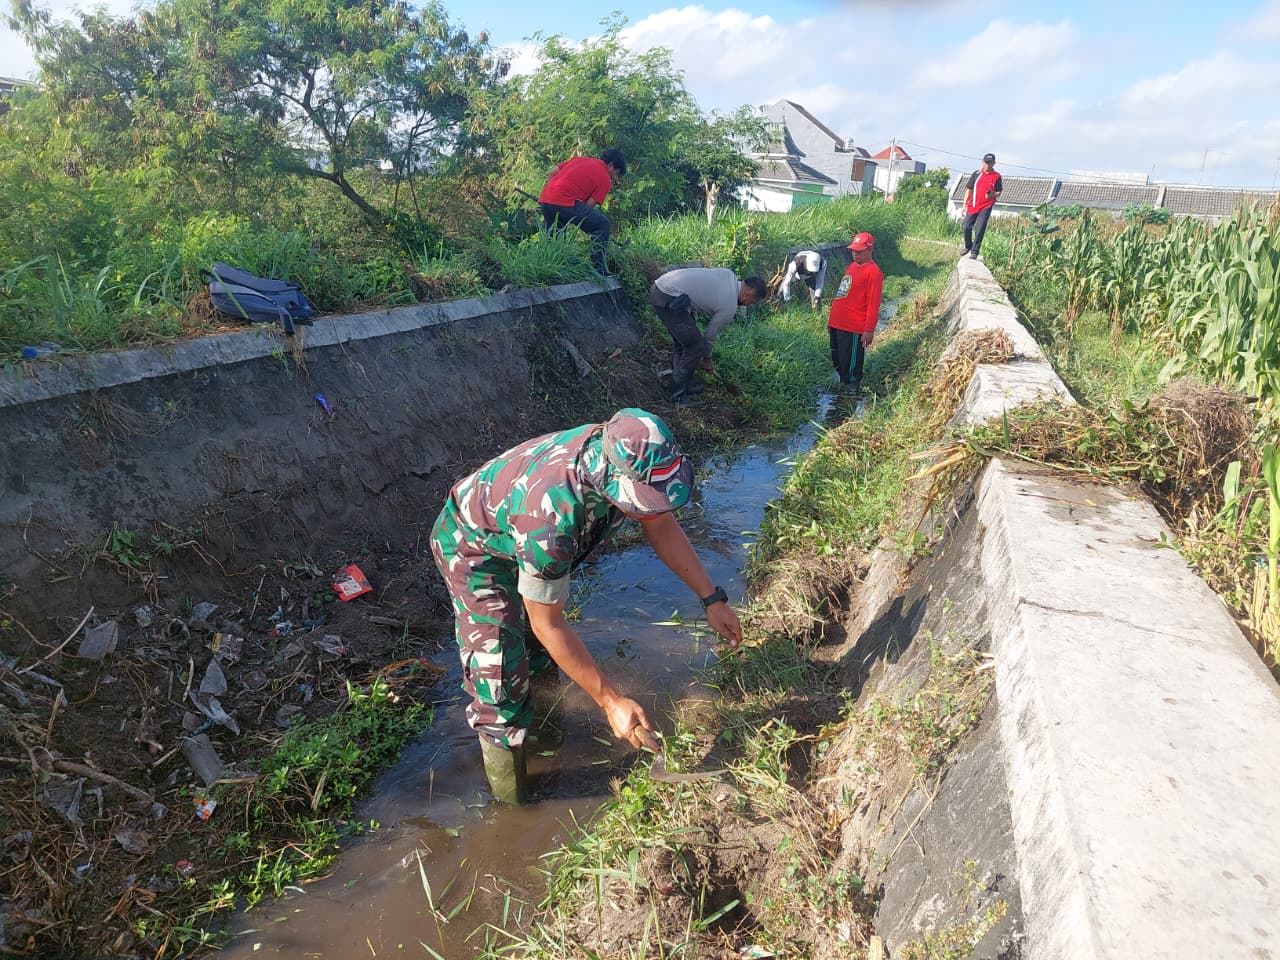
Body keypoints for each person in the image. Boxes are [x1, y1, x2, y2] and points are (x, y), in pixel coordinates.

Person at [430, 408, 742, 804]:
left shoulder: (620, 453)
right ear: (613, 481)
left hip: (518, 530)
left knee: (537, 655)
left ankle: (545, 730)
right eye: (643, 500)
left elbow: (660, 523)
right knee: (501, 676)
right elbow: (549, 623)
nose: (650, 508)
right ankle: (511, 806)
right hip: (474, 548)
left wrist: (711, 599)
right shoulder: (553, 518)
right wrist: (610, 700)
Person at [648, 268, 767, 403]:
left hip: (665, 287)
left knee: (685, 342)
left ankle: (682, 384)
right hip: (668, 295)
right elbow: (710, 335)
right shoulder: (729, 305)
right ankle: (678, 395)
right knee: (695, 346)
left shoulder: (729, 274)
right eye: (752, 302)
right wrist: (707, 359)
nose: (748, 305)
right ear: (749, 294)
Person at [538, 149, 628, 274]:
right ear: (611, 165)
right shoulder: (605, 179)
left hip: (546, 199)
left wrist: (554, 195)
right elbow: (588, 206)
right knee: (602, 225)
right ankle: (598, 269)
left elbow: (551, 173)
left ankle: (548, 270)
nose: (615, 177)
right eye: (616, 174)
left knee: (553, 240)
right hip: (565, 201)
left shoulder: (579, 160)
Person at [826, 232, 884, 394]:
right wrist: (831, 321)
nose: (854, 254)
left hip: (853, 327)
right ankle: (843, 386)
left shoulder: (873, 272)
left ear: (869, 250)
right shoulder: (852, 267)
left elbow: (873, 303)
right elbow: (841, 294)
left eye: (859, 251)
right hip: (838, 323)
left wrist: (868, 330)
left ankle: (851, 392)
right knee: (837, 359)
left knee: (850, 362)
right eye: (853, 250)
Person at [962, 153, 1003, 260]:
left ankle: (974, 251)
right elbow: (969, 190)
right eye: (986, 162)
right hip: (973, 204)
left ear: (994, 163)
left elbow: (999, 191)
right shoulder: (976, 174)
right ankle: (968, 245)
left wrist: (993, 195)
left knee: (979, 228)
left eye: (990, 163)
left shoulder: (997, 176)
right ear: (982, 162)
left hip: (986, 205)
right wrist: (964, 205)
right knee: (966, 226)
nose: (988, 165)